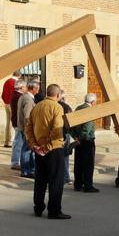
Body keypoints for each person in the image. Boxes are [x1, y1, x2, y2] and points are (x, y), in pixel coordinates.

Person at [25, 84, 71, 219]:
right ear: (58, 95)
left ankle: (38, 207)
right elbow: (57, 129)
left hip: (39, 149)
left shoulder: (37, 106)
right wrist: (46, 147)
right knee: (56, 181)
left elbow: (28, 127)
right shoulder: (57, 107)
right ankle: (54, 210)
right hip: (53, 149)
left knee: (40, 180)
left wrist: (34, 145)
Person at [71, 93, 99, 193]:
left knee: (78, 163)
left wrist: (75, 137)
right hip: (87, 141)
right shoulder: (90, 110)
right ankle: (88, 185)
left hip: (78, 140)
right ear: (93, 102)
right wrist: (82, 137)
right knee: (88, 164)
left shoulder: (78, 108)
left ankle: (78, 184)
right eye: (96, 101)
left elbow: (72, 124)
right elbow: (87, 128)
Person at [17, 79, 39, 178]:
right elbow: (27, 116)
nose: (38, 90)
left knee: (27, 148)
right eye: (37, 88)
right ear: (33, 88)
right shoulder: (28, 99)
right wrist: (29, 130)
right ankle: (26, 171)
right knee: (27, 149)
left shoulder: (24, 96)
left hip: (23, 127)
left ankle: (28, 169)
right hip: (26, 128)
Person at [9, 78, 27, 170]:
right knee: (18, 143)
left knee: (18, 142)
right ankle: (15, 162)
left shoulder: (16, 95)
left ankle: (16, 161)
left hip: (16, 121)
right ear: (21, 87)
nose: (26, 88)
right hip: (18, 122)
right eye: (24, 86)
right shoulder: (19, 96)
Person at [1, 70, 20, 147]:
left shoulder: (6, 81)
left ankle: (6, 141)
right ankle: (10, 141)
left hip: (6, 103)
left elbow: (3, 94)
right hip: (12, 104)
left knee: (8, 122)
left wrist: (6, 102)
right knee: (12, 122)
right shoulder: (16, 83)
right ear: (19, 76)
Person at [58, 94, 74, 186]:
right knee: (65, 156)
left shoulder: (52, 105)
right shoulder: (66, 106)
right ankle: (65, 177)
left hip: (54, 134)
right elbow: (71, 121)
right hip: (64, 133)